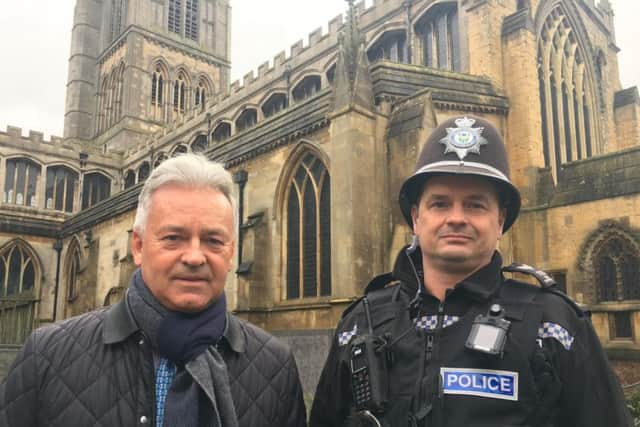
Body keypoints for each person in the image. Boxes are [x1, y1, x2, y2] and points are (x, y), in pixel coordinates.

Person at [309, 115, 632, 426]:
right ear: (416, 218)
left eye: (476, 204)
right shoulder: (360, 323)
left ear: (500, 220)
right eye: (440, 203)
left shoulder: (554, 326)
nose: (457, 217)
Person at [0, 154, 307, 427]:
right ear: (138, 246)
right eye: (174, 238)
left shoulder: (275, 368)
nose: (194, 257)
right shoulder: (48, 355)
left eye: (214, 240)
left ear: (231, 252)